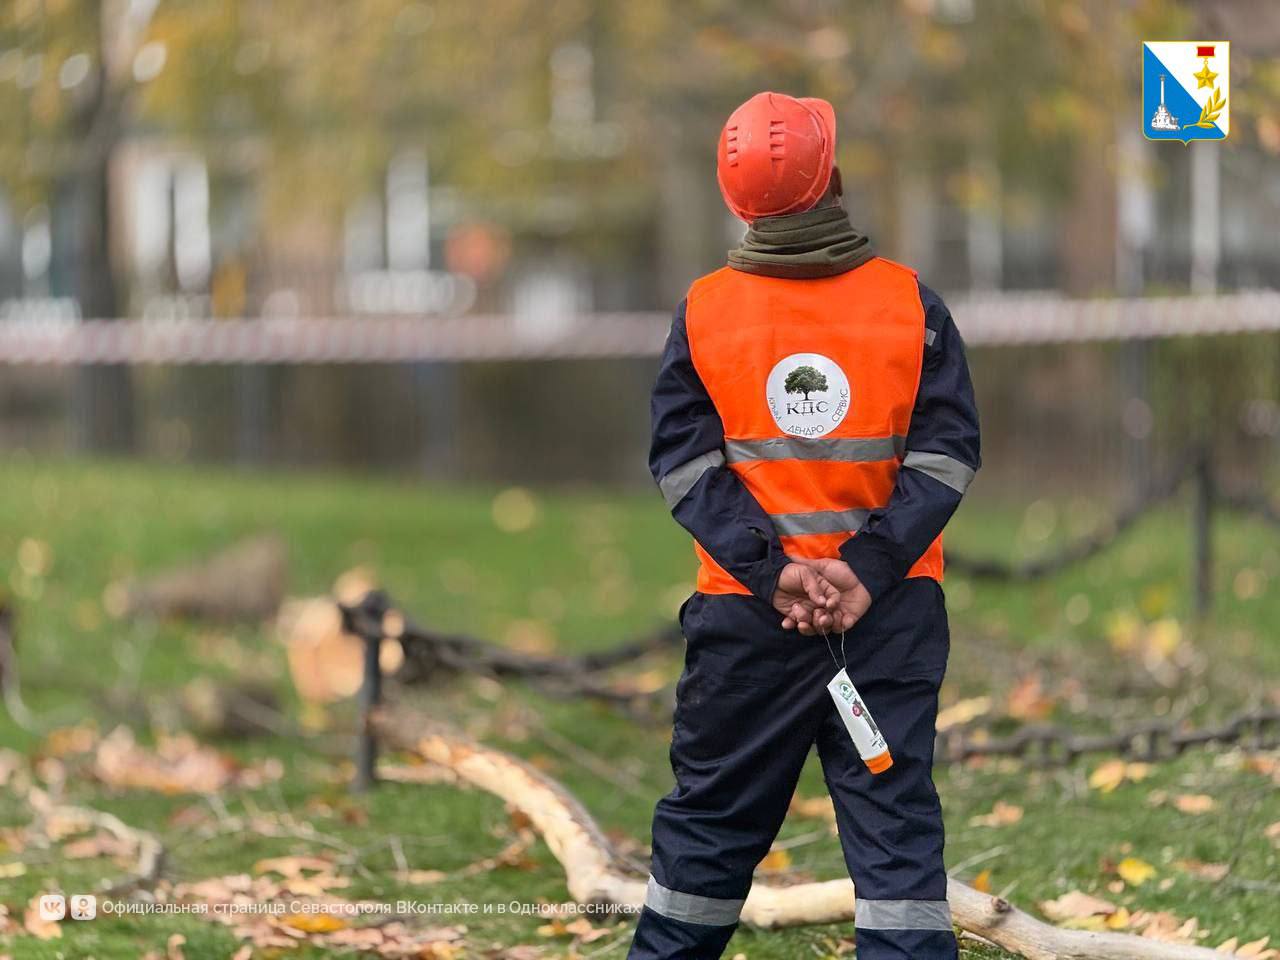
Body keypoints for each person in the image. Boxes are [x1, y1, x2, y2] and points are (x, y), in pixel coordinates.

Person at [628, 91, 981, 960]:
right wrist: (865, 567)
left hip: (748, 623)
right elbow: (946, 454)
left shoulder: (705, 310)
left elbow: (684, 466)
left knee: (709, 833)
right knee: (896, 842)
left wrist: (772, 572)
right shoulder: (911, 305)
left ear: (734, 199)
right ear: (833, 179)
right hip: (889, 618)